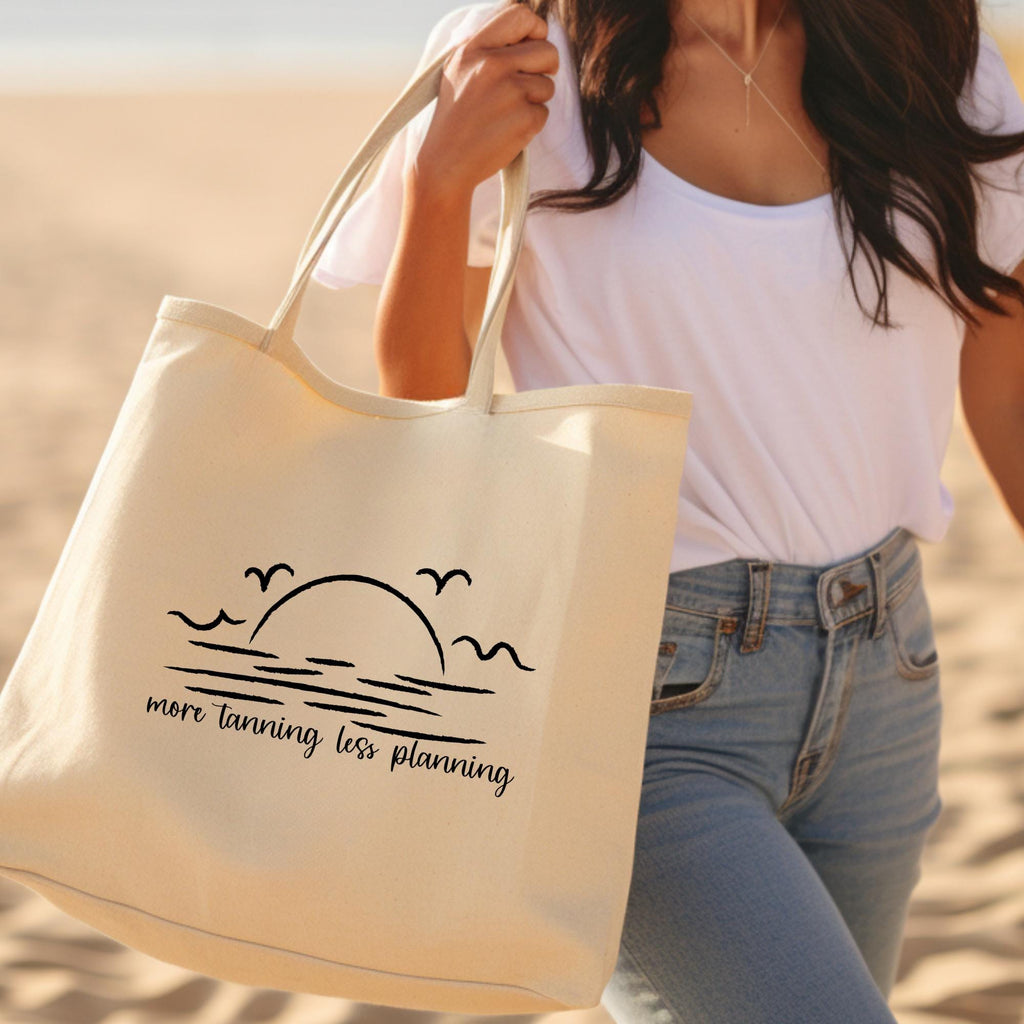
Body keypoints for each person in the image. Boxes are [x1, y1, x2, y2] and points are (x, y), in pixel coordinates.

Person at [311, 1, 1024, 1020]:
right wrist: (438, 185)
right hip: (641, 705)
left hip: (885, 677)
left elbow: (1006, 393)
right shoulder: (525, 58)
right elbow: (430, 408)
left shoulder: (932, 52)